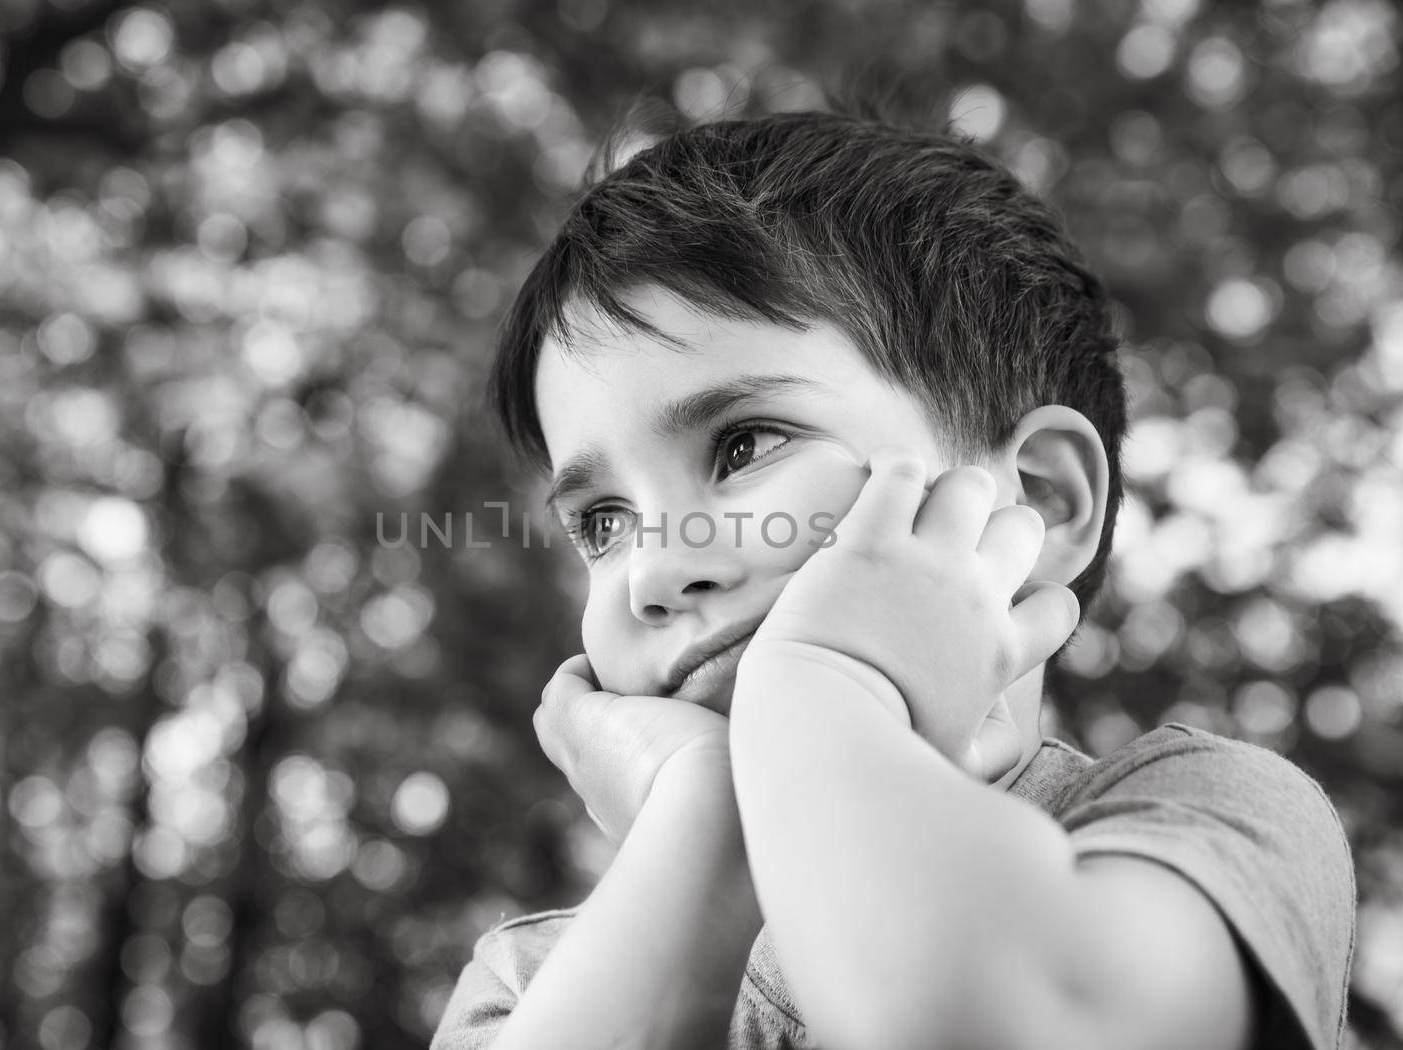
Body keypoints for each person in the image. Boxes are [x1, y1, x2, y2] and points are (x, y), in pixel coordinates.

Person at [430, 105, 1355, 1050]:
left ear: (1035, 500)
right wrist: (704, 840)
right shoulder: (530, 985)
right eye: (603, 523)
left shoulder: (1202, 819)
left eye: (744, 445)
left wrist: (822, 689)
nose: (654, 569)